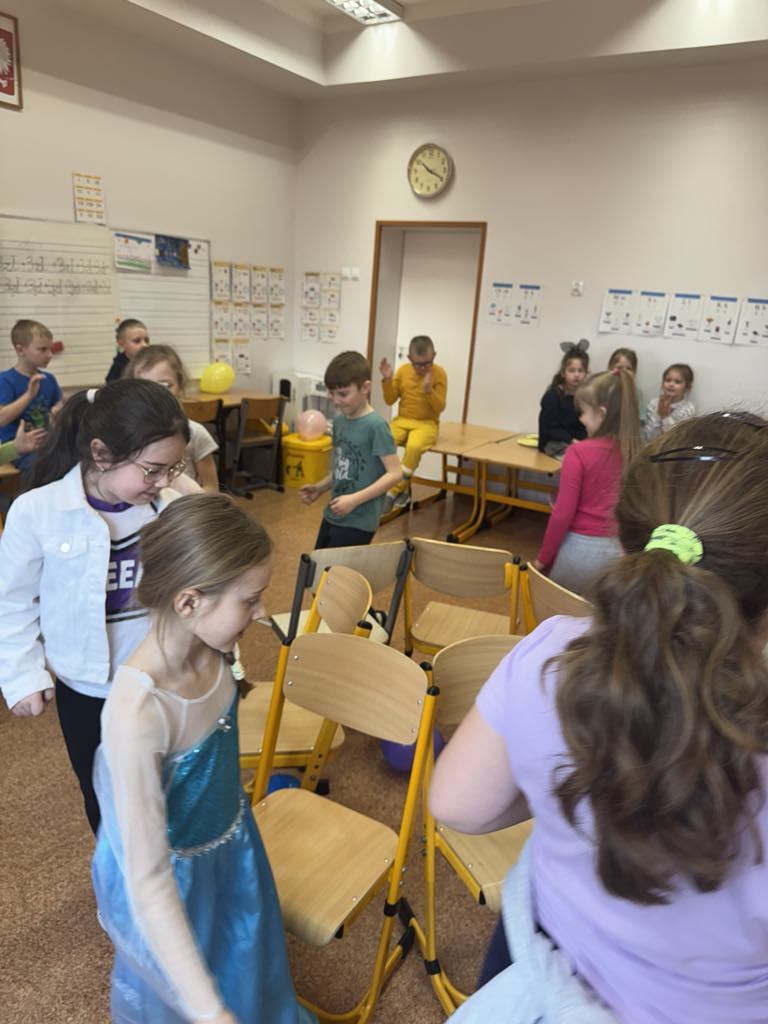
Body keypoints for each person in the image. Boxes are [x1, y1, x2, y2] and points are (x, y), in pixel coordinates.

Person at [431, 411, 768, 1023]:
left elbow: (459, 804)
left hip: (550, 970)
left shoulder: (552, 654)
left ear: (624, 541)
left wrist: (573, 786)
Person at [91, 494, 315, 1024]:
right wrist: (209, 1011)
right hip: (174, 883)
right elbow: (148, 879)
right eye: (250, 599)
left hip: (233, 849)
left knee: (248, 966)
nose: (262, 612)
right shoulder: (138, 713)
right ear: (189, 601)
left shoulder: (213, 646)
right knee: (199, 980)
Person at [0, 379, 190, 833]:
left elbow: (199, 593)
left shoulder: (172, 509)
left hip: (162, 682)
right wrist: (22, 674)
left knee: (169, 789)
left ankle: (170, 868)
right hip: (86, 690)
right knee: (103, 797)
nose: (165, 481)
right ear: (101, 454)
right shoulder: (36, 512)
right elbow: (13, 601)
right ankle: (119, 875)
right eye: (153, 469)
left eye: (173, 468)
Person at [534, 369, 640, 595]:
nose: (581, 419)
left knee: (559, 610)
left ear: (601, 413)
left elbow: (562, 514)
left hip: (579, 553)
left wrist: (543, 559)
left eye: (583, 412)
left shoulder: (578, 452)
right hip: (618, 556)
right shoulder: (635, 453)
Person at [299, 350, 400, 549]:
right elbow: (342, 467)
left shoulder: (376, 426)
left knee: (336, 568)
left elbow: (395, 473)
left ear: (365, 388)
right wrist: (320, 488)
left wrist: (354, 500)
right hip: (335, 513)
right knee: (318, 564)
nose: (336, 401)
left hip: (359, 521)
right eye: (332, 393)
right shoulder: (339, 422)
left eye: (343, 394)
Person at [125, 343, 219, 492]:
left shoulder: (195, 433)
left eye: (165, 385)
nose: (157, 395)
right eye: (146, 387)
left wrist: (189, 500)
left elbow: (212, 488)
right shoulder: (128, 435)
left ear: (180, 385)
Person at [379, 335, 447, 515]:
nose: (423, 368)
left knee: (414, 447)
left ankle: (394, 491)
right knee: (384, 441)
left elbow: (440, 407)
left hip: (427, 424)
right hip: (402, 420)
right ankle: (391, 488)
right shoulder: (403, 371)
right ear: (409, 358)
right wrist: (387, 380)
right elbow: (389, 400)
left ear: (434, 355)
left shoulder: (439, 373)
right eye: (418, 364)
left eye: (427, 363)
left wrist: (429, 391)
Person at [0, 319, 63, 470]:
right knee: (43, 467)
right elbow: (1, 419)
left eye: (50, 349)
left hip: (46, 443)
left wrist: (58, 408)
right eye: (42, 349)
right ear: (20, 350)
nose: (49, 355)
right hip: (18, 449)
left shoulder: (49, 379)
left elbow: (59, 402)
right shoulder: (5, 380)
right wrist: (29, 395)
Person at [538, 340, 590, 457]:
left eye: (580, 371)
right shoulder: (553, 396)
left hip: (573, 442)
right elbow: (550, 428)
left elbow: (582, 426)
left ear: (586, 373)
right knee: (578, 457)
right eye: (572, 370)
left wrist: (582, 441)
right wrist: (572, 441)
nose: (576, 375)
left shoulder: (583, 397)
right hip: (552, 443)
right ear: (563, 373)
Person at [644, 362, 695, 440]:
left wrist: (665, 417)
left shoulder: (688, 408)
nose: (671, 384)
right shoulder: (653, 403)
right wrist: (658, 414)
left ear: (687, 387)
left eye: (677, 382)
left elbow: (675, 438)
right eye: (668, 380)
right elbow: (649, 436)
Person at [608, 346, 644, 426]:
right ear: (610, 368)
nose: (624, 372)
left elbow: (640, 420)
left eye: (629, 368)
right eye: (619, 367)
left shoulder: (637, 393)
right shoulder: (604, 390)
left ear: (634, 371)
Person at [106, 317, 150, 382]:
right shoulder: (118, 367)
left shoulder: (150, 362)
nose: (144, 345)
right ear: (122, 344)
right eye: (137, 341)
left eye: (146, 341)